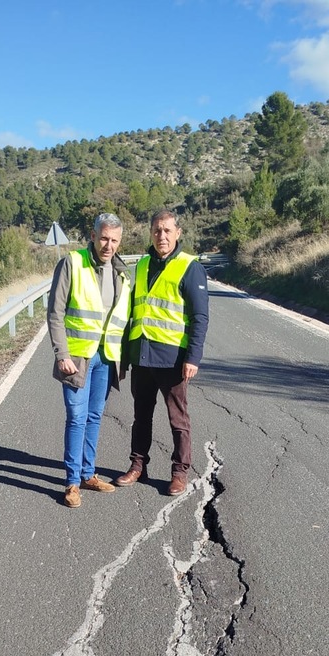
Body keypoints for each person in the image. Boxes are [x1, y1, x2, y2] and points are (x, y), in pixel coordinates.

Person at [115, 209, 209, 495]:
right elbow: (129, 311)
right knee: (140, 416)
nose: (162, 236)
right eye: (157, 230)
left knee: (177, 419)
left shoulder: (189, 267)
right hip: (141, 355)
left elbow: (200, 317)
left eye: (167, 230)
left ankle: (179, 472)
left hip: (172, 359)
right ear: (151, 233)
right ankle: (137, 465)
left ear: (178, 233)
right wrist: (123, 355)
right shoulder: (141, 265)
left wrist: (192, 357)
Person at [48, 212, 130, 508]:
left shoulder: (121, 272)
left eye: (115, 240)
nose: (109, 245)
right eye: (104, 238)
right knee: (77, 417)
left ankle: (88, 473)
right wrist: (62, 354)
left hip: (106, 358)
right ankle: (71, 483)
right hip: (78, 357)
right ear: (93, 236)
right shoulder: (73, 262)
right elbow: (55, 312)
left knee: (95, 417)